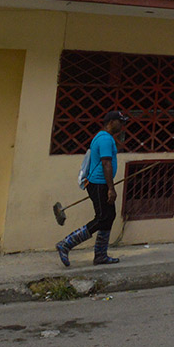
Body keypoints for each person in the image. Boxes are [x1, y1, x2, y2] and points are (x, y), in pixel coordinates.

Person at [55, 111, 128, 267]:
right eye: (120, 122)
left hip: (100, 183)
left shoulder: (103, 137)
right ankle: (66, 244)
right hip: (99, 184)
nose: (122, 125)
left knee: (109, 216)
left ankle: (100, 255)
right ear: (111, 122)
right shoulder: (105, 139)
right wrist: (111, 188)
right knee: (102, 218)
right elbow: (106, 163)